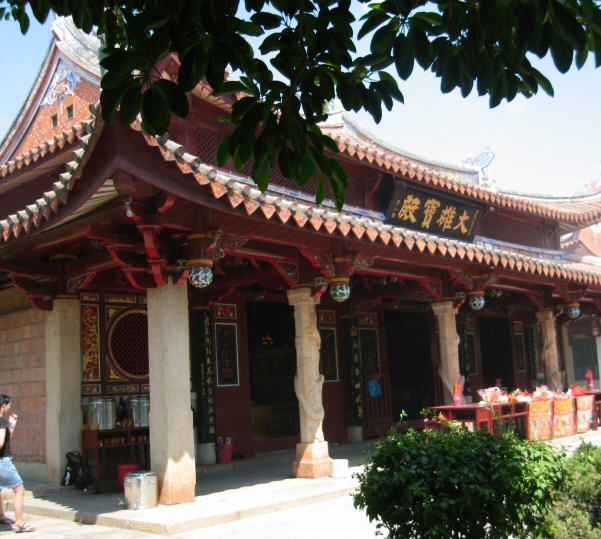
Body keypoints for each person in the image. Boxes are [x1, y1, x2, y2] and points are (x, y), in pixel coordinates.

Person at [0, 395, 35, 533]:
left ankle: (1, 516)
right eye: (9, 405)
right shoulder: (2, 421)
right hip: (3, 461)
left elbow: (4, 440)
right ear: (3, 405)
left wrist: (11, 427)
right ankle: (19, 523)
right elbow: (1, 443)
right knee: (20, 490)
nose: (9, 408)